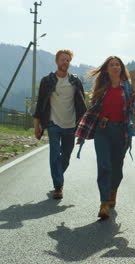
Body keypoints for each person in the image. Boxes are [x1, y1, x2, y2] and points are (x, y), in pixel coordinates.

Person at [75, 56, 135, 219]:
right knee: (104, 166)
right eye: (112, 65)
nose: (115, 67)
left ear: (122, 69)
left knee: (117, 169)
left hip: (121, 132)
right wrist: (82, 133)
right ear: (107, 69)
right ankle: (104, 202)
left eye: (118, 65)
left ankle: (112, 191)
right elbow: (92, 111)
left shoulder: (129, 88)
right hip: (102, 131)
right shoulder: (101, 88)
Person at [33, 49, 87, 200]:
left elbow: (82, 106)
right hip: (53, 123)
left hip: (70, 124)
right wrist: (37, 127)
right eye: (62, 59)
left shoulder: (75, 81)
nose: (65, 62)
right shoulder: (47, 81)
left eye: (68, 60)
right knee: (55, 153)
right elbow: (40, 106)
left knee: (66, 156)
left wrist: (83, 129)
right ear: (57, 61)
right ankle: (58, 186)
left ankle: (58, 175)